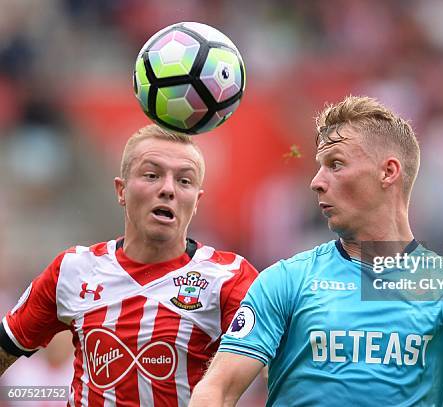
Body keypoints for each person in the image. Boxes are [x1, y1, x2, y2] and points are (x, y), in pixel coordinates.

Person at [189, 96, 443, 406]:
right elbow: (217, 389)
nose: (316, 182)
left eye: (335, 165)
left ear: (388, 172)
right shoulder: (287, 280)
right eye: (319, 167)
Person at [0, 124, 259, 406]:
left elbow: (279, 366)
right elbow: (7, 344)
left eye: (184, 181)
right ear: (121, 190)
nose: (168, 189)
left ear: (197, 201)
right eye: (152, 175)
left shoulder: (229, 277)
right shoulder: (73, 270)